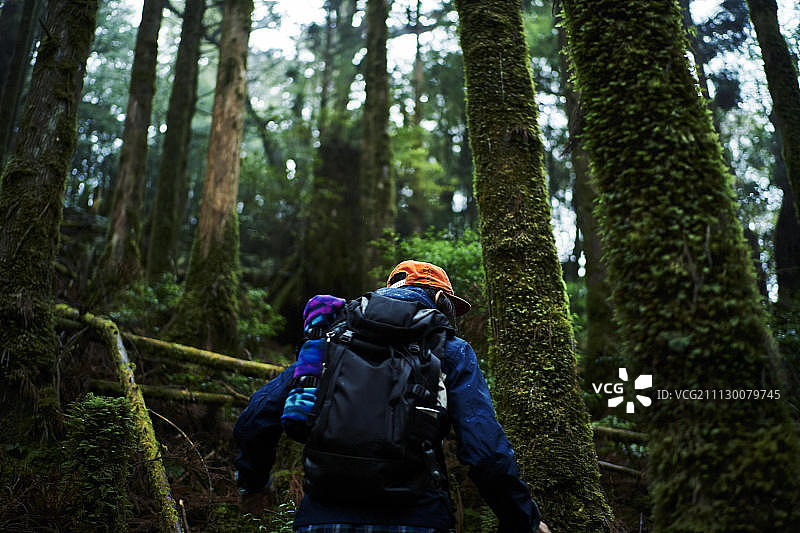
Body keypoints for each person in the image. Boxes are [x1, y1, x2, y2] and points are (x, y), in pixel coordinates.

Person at [234, 260, 550, 533]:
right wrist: (523, 519)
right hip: (418, 518)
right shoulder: (450, 349)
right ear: (439, 297)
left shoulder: (331, 338)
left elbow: (256, 415)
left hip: (321, 517)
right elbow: (485, 451)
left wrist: (254, 485)